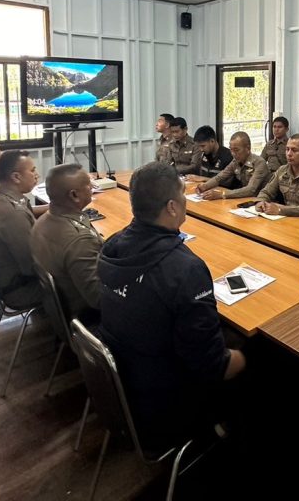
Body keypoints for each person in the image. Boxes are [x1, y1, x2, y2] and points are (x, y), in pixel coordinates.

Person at [97, 162, 246, 450]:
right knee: (261, 351)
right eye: (182, 195)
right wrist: (246, 357)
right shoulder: (185, 269)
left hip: (124, 375)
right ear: (172, 207)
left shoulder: (113, 244)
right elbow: (212, 365)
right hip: (165, 396)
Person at [30, 163, 103, 323]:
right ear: (74, 195)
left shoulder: (41, 222)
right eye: (88, 185)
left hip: (59, 309)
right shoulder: (80, 241)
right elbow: (99, 299)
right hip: (85, 318)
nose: (92, 187)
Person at [0, 150, 43, 307]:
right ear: (16, 177)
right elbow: (33, 266)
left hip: (10, 282)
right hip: (22, 290)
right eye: (32, 171)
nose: (37, 175)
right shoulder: (11, 213)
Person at [197, 131, 271, 199]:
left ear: (248, 148)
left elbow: (250, 190)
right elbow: (219, 178)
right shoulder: (235, 162)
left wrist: (222, 194)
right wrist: (204, 186)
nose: (233, 154)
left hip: (262, 201)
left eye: (236, 150)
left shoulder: (259, 163)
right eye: (231, 150)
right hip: (245, 198)